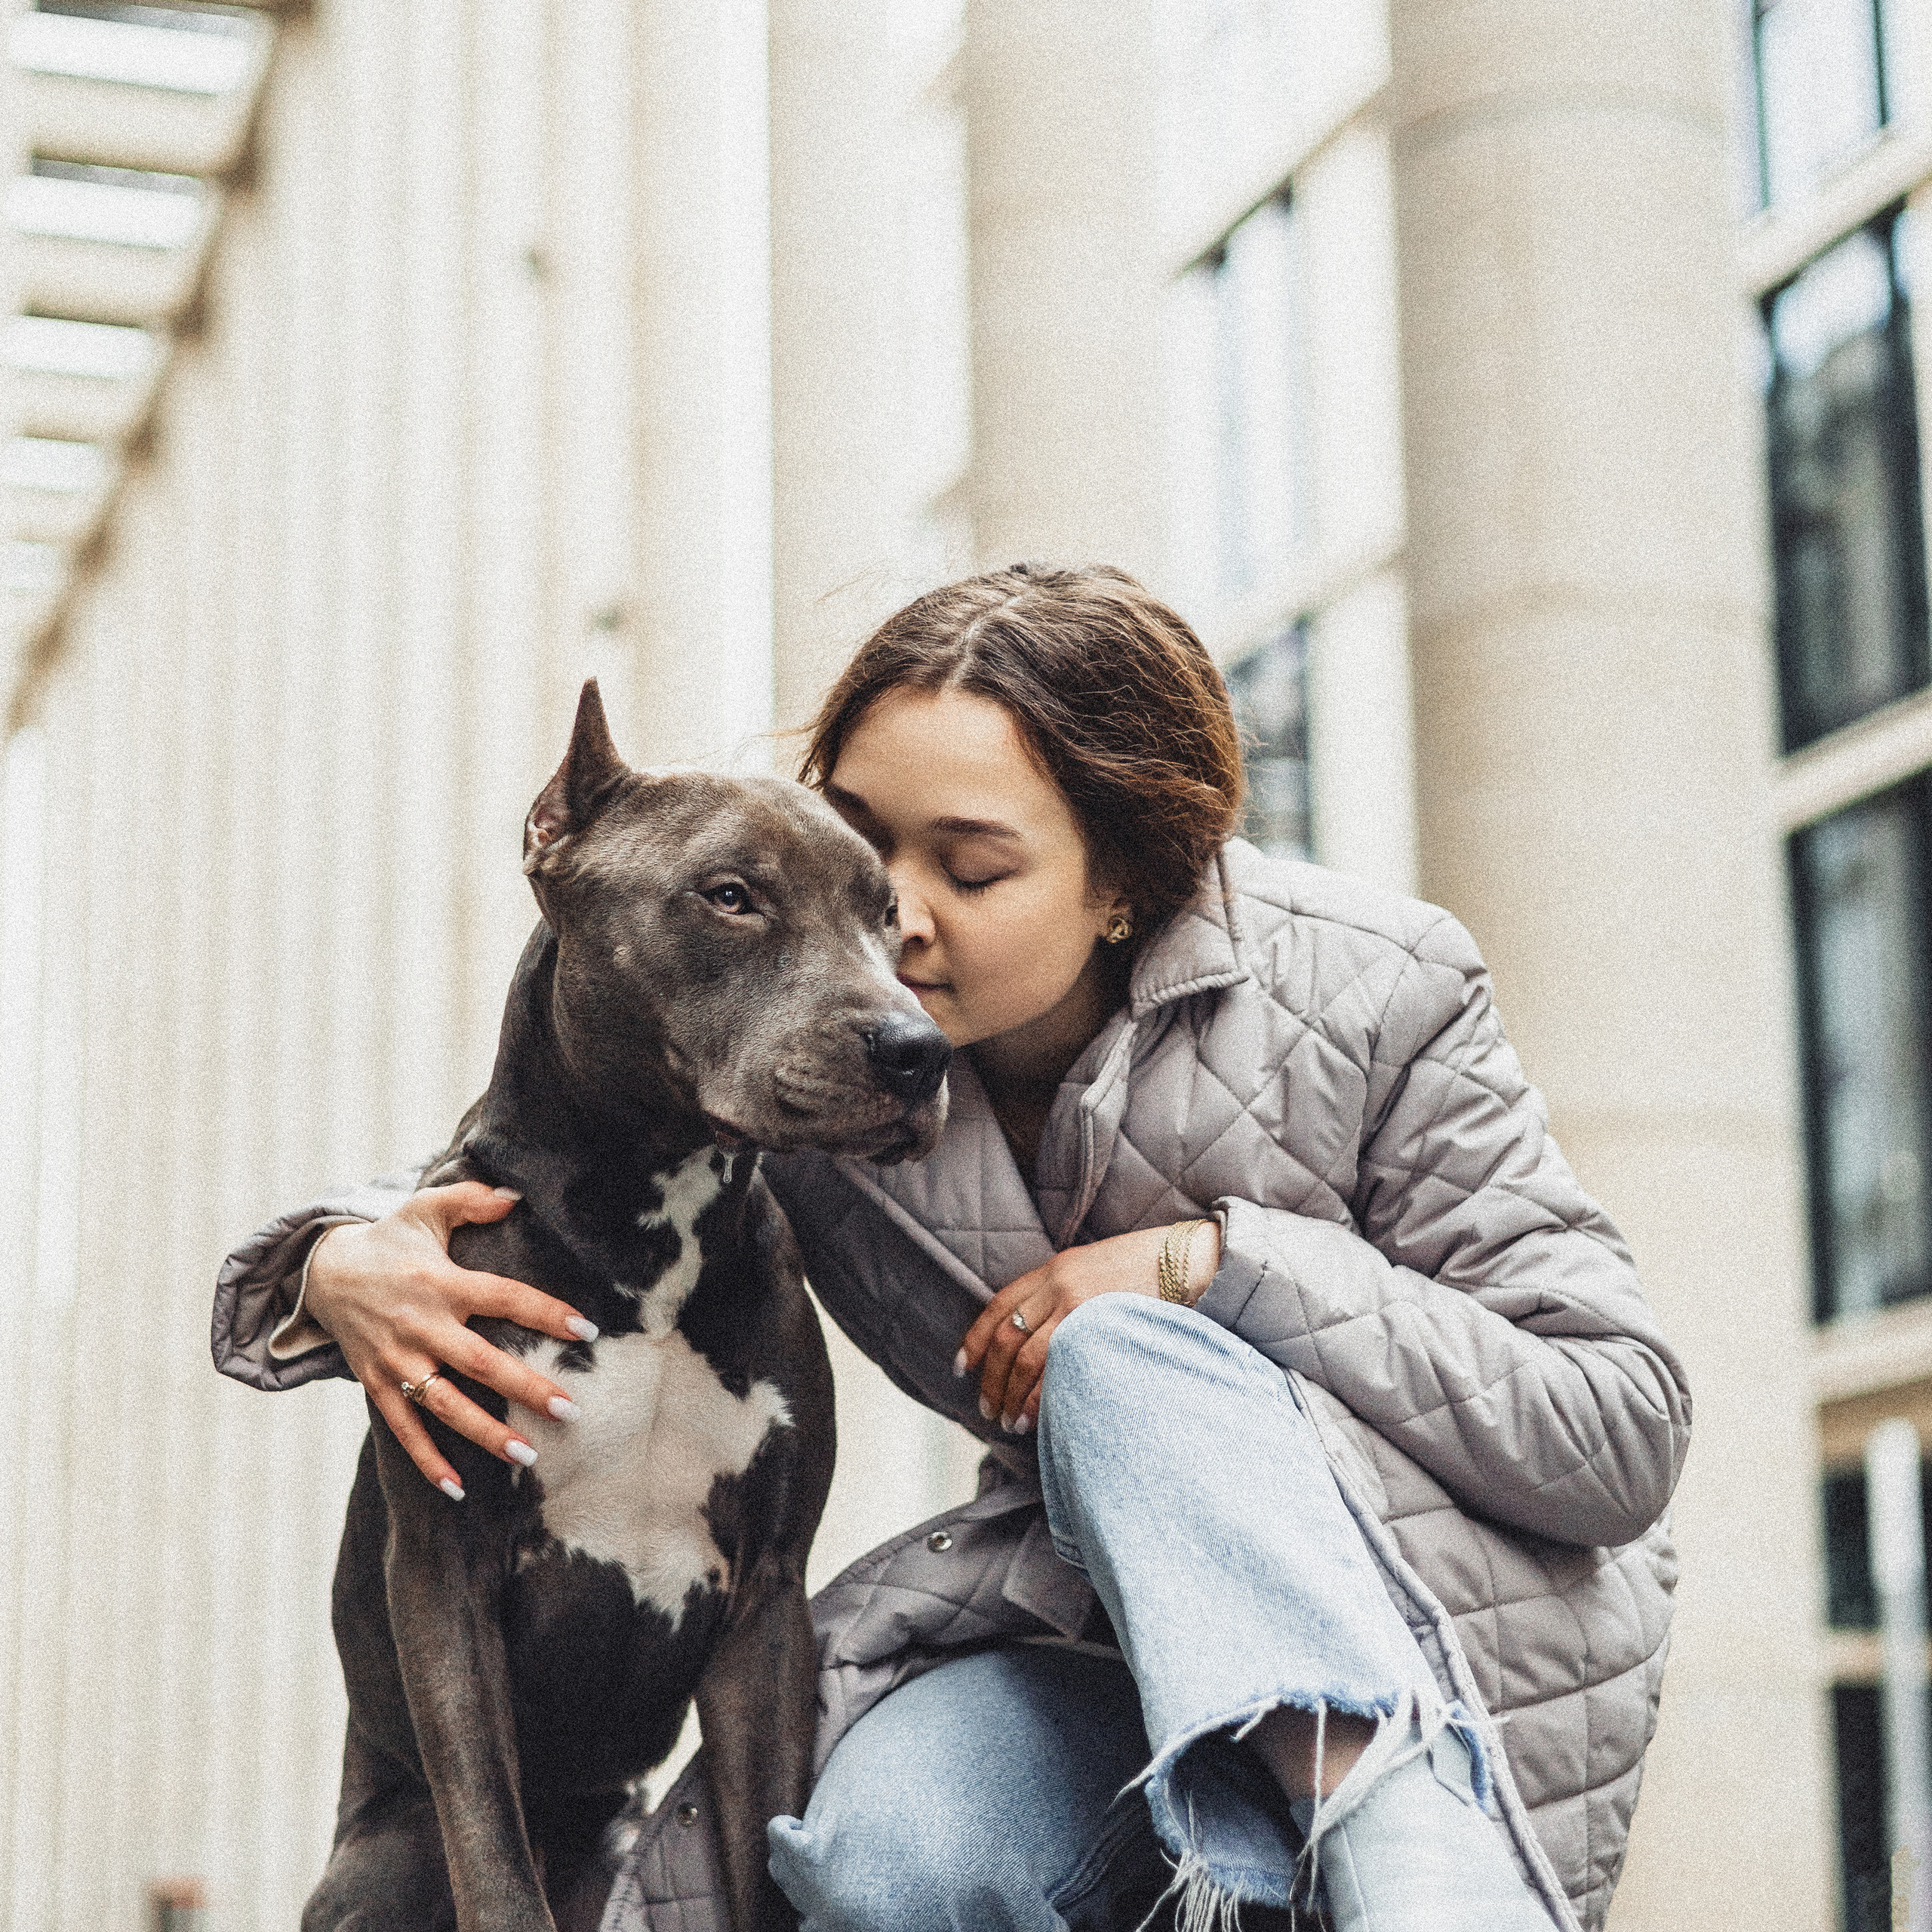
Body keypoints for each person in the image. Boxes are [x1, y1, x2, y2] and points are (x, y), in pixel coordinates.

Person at [214, 564, 1688, 1932]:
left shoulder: (1375, 991)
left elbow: (1616, 1429)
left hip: (1430, 1637)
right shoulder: (832, 1072)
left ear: (1126, 878)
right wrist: (338, 1255)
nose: (895, 922)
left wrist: (1206, 1267)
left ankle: (1396, 1850)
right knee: (878, 1861)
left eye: (969, 870)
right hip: (1082, 1634)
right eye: (862, 853)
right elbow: (570, 1142)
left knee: (1112, 1348)